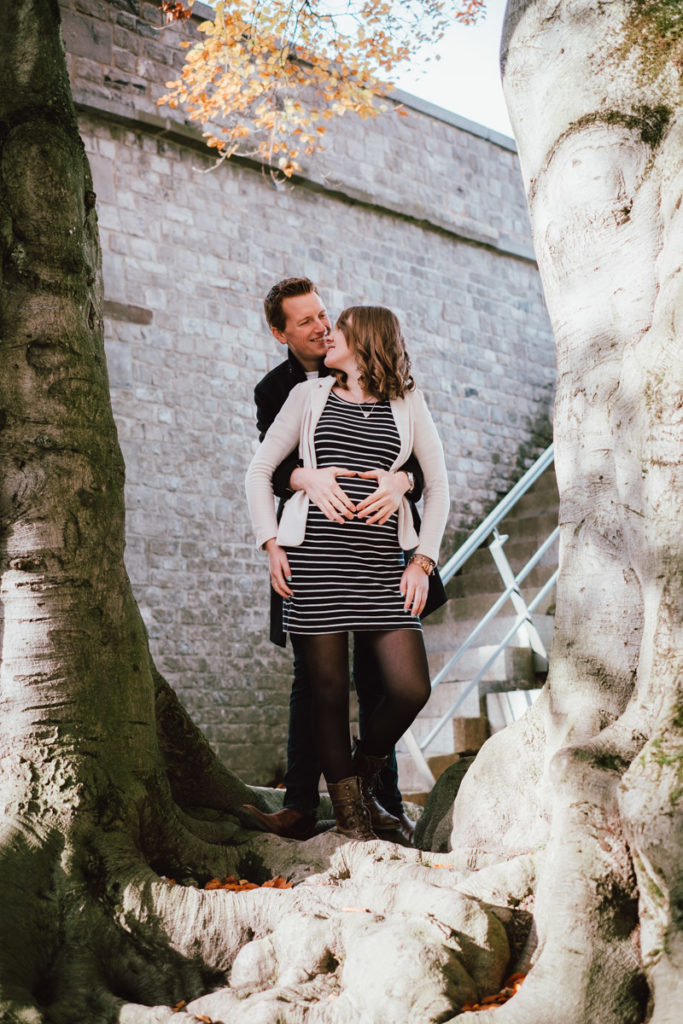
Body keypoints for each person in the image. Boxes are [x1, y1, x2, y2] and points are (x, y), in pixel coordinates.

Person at [241, 278, 445, 843]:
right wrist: (273, 537)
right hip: (316, 558)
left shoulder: (406, 400)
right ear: (281, 332)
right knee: (320, 688)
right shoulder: (289, 391)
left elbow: (434, 478)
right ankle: (339, 816)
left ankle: (369, 790)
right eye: (306, 321)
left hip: (384, 560)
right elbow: (269, 468)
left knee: (399, 686)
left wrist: (416, 533)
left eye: (325, 316)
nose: (322, 327)